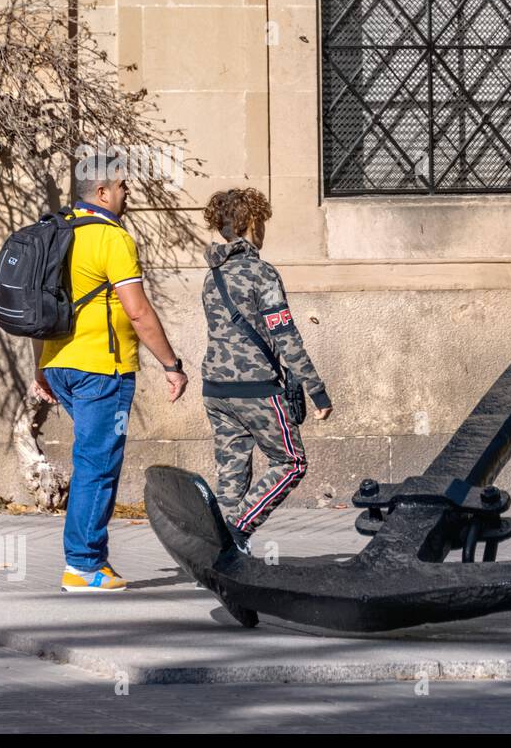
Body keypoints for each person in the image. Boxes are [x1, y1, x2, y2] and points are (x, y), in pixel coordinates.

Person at [31, 152, 189, 593]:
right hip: (103, 370)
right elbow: (138, 313)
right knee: (97, 465)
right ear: (102, 192)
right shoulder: (112, 238)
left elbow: (41, 307)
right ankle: (84, 566)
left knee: (90, 460)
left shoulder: (57, 233)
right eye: (122, 185)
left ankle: (83, 560)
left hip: (61, 364)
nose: (128, 191)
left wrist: (42, 366)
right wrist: (172, 366)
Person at [200, 188, 332, 554]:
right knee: (291, 462)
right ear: (252, 223)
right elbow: (285, 335)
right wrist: (316, 390)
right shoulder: (262, 273)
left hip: (215, 388)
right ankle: (238, 530)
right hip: (256, 387)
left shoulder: (212, 277)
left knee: (231, 474)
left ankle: (222, 553)